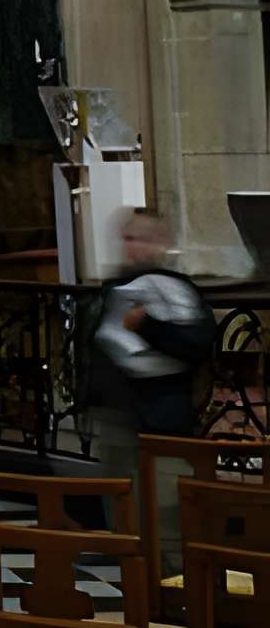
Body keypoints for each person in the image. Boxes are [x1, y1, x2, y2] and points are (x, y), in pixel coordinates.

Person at [88, 206, 215, 568]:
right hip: (119, 417)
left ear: (161, 243)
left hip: (161, 423)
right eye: (128, 239)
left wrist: (146, 325)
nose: (133, 248)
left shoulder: (178, 291)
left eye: (142, 239)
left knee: (165, 520)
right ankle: (133, 592)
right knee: (123, 516)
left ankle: (174, 603)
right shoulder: (114, 288)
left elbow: (196, 346)